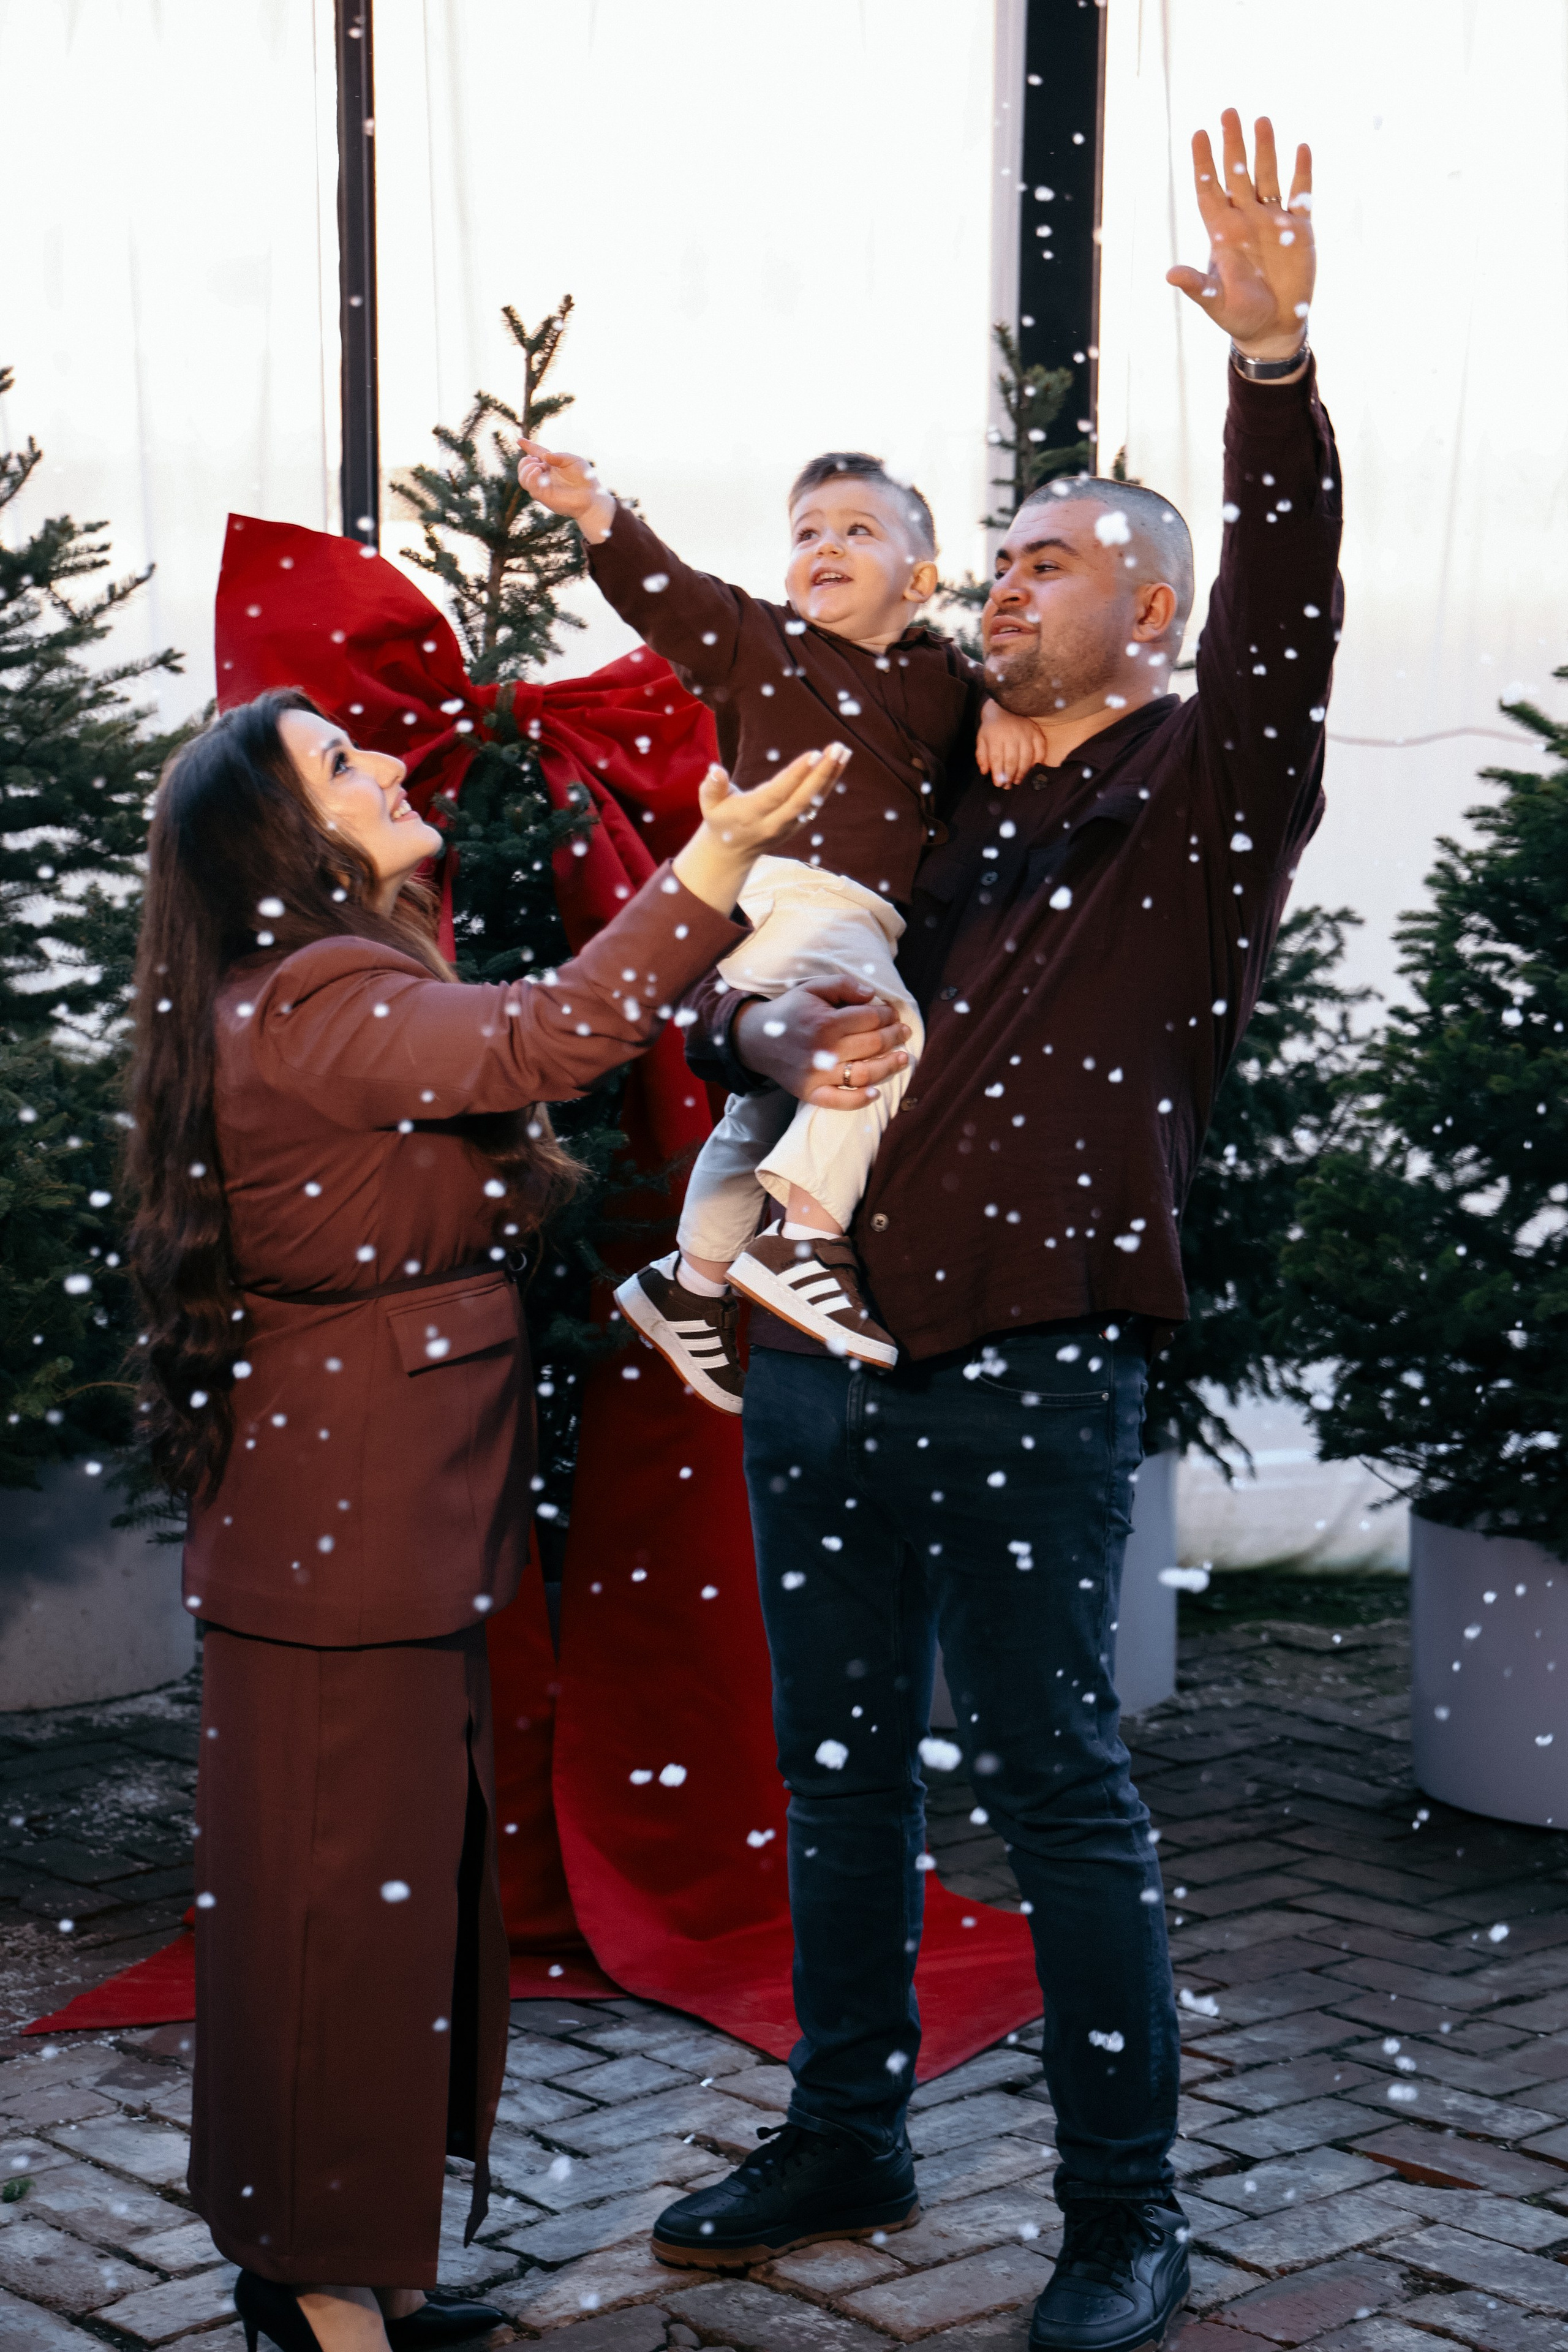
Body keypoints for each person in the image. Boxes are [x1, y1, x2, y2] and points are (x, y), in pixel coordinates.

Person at [649, 112, 1340, 2352]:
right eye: (1002, 559)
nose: (999, 586)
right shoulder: (915, 807)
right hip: (820, 1354)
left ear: (1144, 602)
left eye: (1047, 558)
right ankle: (848, 2127)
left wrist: (1272, 370)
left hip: (1040, 1350)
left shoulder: (1200, 792)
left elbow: (1298, 609)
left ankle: (1122, 2216)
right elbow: (736, 1006)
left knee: (1056, 1773)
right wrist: (774, 1007)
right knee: (832, 1763)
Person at [126, 695, 834, 2352]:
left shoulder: (326, 983)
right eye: (338, 770)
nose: (383, 769)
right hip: (345, 1538)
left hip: (369, 1522)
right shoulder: (316, 999)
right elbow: (558, 1035)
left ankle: (337, 2259)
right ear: (278, 839)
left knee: (382, 1912)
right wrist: (717, 860)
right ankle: (309, 2288)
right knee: (333, 1919)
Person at [514, 436, 1047, 1406]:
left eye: (857, 530)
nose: (825, 547)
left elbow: (994, 721)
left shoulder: (944, 679)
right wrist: (596, 511)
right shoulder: (761, 645)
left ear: (919, 578)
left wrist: (1001, 711)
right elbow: (669, 594)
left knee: (771, 1104)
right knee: (883, 1043)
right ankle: (805, 1236)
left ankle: (694, 1282)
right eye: (806, 534)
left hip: (856, 919)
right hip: (795, 893)